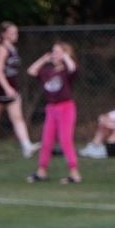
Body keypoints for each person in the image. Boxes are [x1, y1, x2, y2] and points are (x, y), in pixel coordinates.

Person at [26, 42, 81, 184]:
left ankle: (74, 172)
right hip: (51, 108)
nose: (54, 54)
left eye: (57, 52)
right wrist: (43, 59)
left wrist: (66, 56)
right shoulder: (48, 71)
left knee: (65, 140)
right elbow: (31, 71)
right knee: (46, 140)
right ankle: (42, 171)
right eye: (53, 51)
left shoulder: (66, 71)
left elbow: (73, 68)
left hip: (66, 107)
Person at [0, 22, 39, 158]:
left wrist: (11, 88)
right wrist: (6, 87)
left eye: (16, 32)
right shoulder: (2, 49)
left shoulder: (13, 48)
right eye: (12, 33)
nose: (15, 35)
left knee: (17, 118)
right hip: (0, 88)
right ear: (4, 34)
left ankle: (26, 145)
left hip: (12, 88)